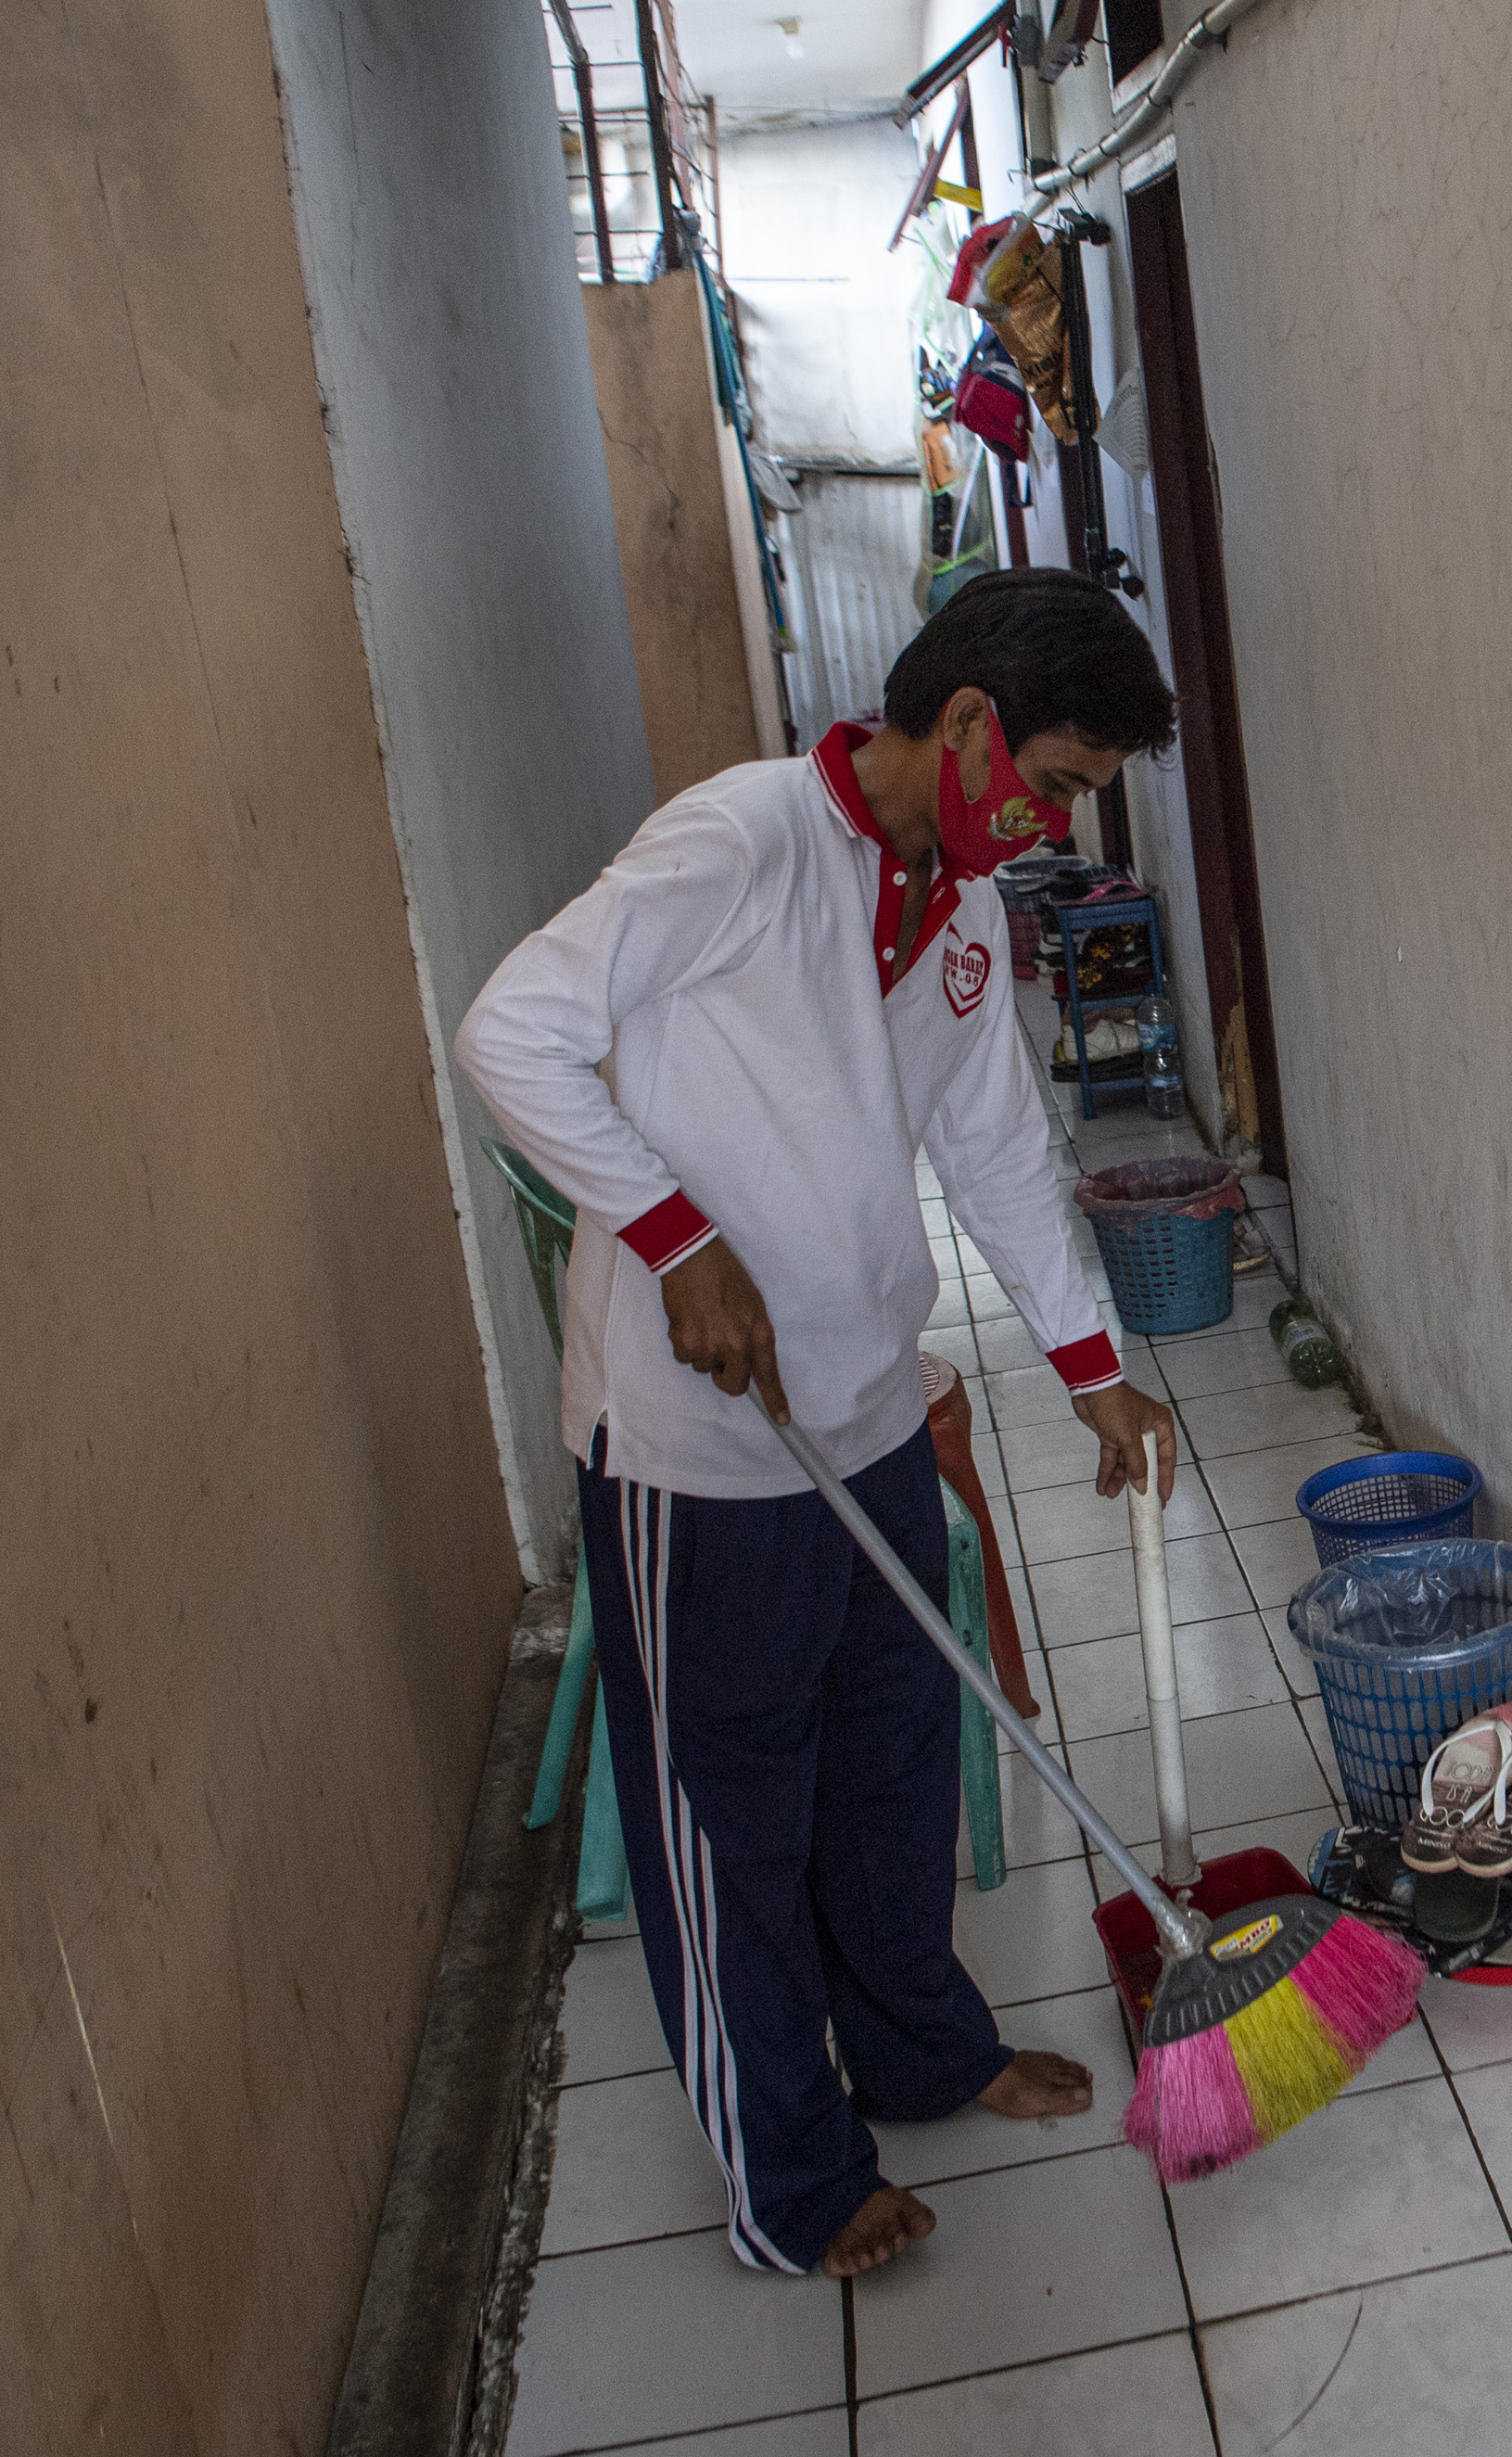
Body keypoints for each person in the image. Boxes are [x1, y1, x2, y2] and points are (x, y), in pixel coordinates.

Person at [457, 570, 1181, 2278]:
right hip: (701, 1452)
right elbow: (514, 1034)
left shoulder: (969, 909)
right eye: (1060, 781)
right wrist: (676, 1235)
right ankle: (793, 2180)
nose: (1055, 816)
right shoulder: (740, 845)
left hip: (859, 1409)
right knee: (732, 1826)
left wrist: (1091, 1363)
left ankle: (924, 2049)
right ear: (971, 726)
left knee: (889, 1772)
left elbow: (998, 1146)